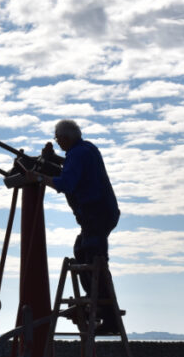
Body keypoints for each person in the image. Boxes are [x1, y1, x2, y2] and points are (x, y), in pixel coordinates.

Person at [8, 119, 122, 332]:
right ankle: (95, 300)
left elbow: (66, 183)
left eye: (57, 138)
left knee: (94, 259)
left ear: (66, 138)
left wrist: (39, 177)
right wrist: (52, 159)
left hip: (95, 215)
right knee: (82, 252)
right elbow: (71, 168)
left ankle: (109, 316)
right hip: (102, 214)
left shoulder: (77, 154)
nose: (57, 141)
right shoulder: (86, 149)